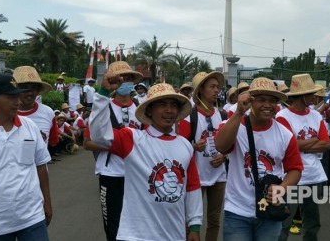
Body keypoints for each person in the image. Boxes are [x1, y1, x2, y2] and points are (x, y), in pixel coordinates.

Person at [89, 74, 202, 241]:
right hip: (137, 235)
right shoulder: (133, 139)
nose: (169, 110)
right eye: (162, 104)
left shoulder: (185, 145)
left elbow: (192, 186)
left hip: (175, 235)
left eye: (173, 105)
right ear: (149, 110)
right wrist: (103, 93)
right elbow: (99, 135)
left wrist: (194, 225)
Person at [215, 77, 303, 241]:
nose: (268, 105)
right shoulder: (233, 126)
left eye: (272, 100)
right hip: (237, 212)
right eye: (261, 100)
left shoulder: (284, 134)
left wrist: (282, 188)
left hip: (270, 211)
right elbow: (221, 146)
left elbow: (295, 169)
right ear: (250, 101)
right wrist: (239, 112)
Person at [0, 74, 52, 240]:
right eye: (10, 97)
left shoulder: (29, 126)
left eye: (17, 96)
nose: (17, 102)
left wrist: (47, 203)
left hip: (32, 218)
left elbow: (40, 165)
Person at [84, 61, 143, 241]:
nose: (125, 82)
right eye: (120, 78)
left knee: (138, 223)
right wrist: (113, 145)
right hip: (111, 175)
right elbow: (87, 142)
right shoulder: (102, 106)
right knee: (113, 226)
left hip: (137, 174)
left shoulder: (142, 109)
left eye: (129, 78)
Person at [276, 74, 330, 241]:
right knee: (284, 221)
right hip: (292, 177)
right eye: (311, 94)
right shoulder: (283, 117)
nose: (315, 97)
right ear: (301, 96)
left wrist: (301, 144)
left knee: (312, 222)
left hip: (313, 175)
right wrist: (314, 140)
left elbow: (326, 144)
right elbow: (287, 146)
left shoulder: (315, 115)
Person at [178, 71, 227, 241]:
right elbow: (178, 148)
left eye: (218, 87)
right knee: (191, 221)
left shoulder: (222, 115)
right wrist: (193, 147)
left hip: (219, 176)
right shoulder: (188, 117)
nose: (216, 91)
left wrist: (224, 155)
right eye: (212, 87)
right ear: (201, 90)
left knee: (214, 220)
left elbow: (231, 144)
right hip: (196, 177)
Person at [14, 66, 60, 162]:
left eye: (34, 88)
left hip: (39, 173)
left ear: (39, 90)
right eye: (24, 88)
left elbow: (53, 141)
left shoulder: (48, 113)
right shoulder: (4, 114)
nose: (30, 93)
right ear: (15, 89)